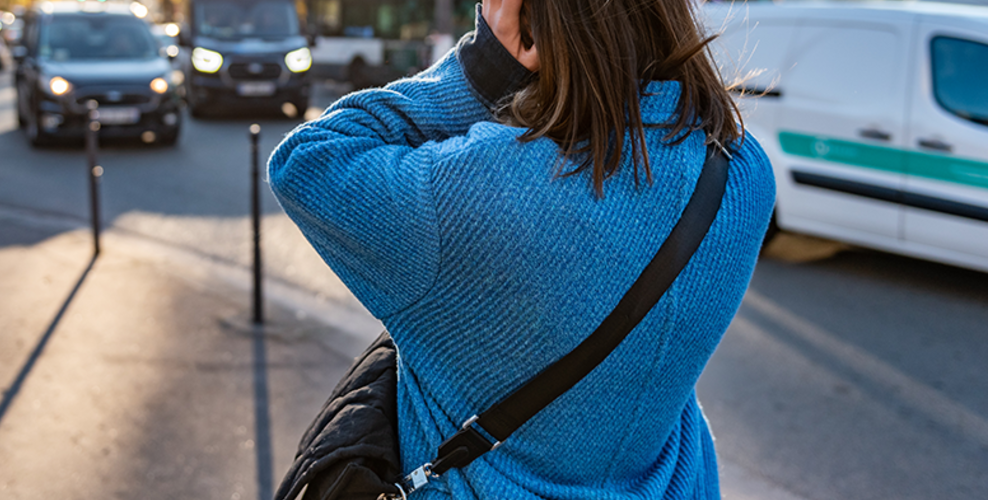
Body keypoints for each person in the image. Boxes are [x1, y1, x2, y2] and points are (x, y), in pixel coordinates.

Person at [268, 0, 775, 498]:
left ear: (527, 18)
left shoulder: (487, 185)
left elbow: (306, 161)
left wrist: (482, 74)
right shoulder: (744, 170)